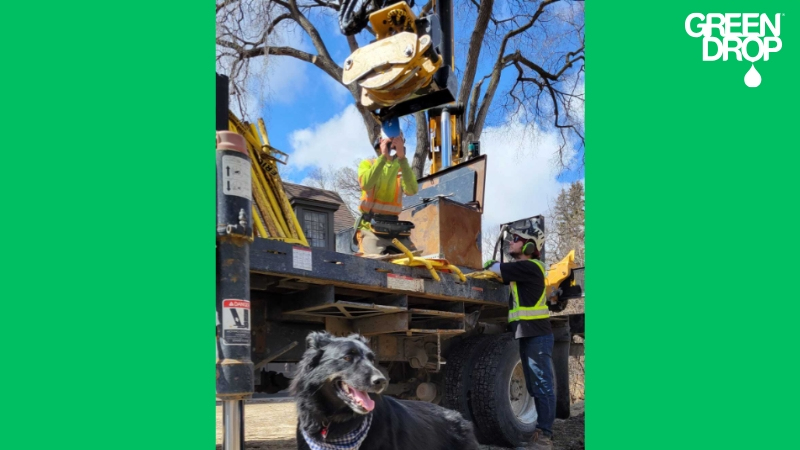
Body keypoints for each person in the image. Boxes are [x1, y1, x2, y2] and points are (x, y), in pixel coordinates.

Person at [483, 219, 556, 450]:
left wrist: (493, 265)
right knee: (536, 385)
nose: (511, 243)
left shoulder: (530, 267)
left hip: (537, 335)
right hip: (529, 334)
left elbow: (495, 269)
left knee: (542, 384)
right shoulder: (523, 271)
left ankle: (545, 436)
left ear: (528, 247)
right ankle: (540, 432)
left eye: (515, 240)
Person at [353, 130, 419, 255]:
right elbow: (366, 183)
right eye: (391, 140)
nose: (394, 145)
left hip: (395, 229)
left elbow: (412, 190)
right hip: (370, 228)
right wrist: (383, 157)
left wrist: (402, 159)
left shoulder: (401, 168)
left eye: (398, 141)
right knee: (373, 263)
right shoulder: (368, 164)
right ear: (381, 142)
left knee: (417, 263)